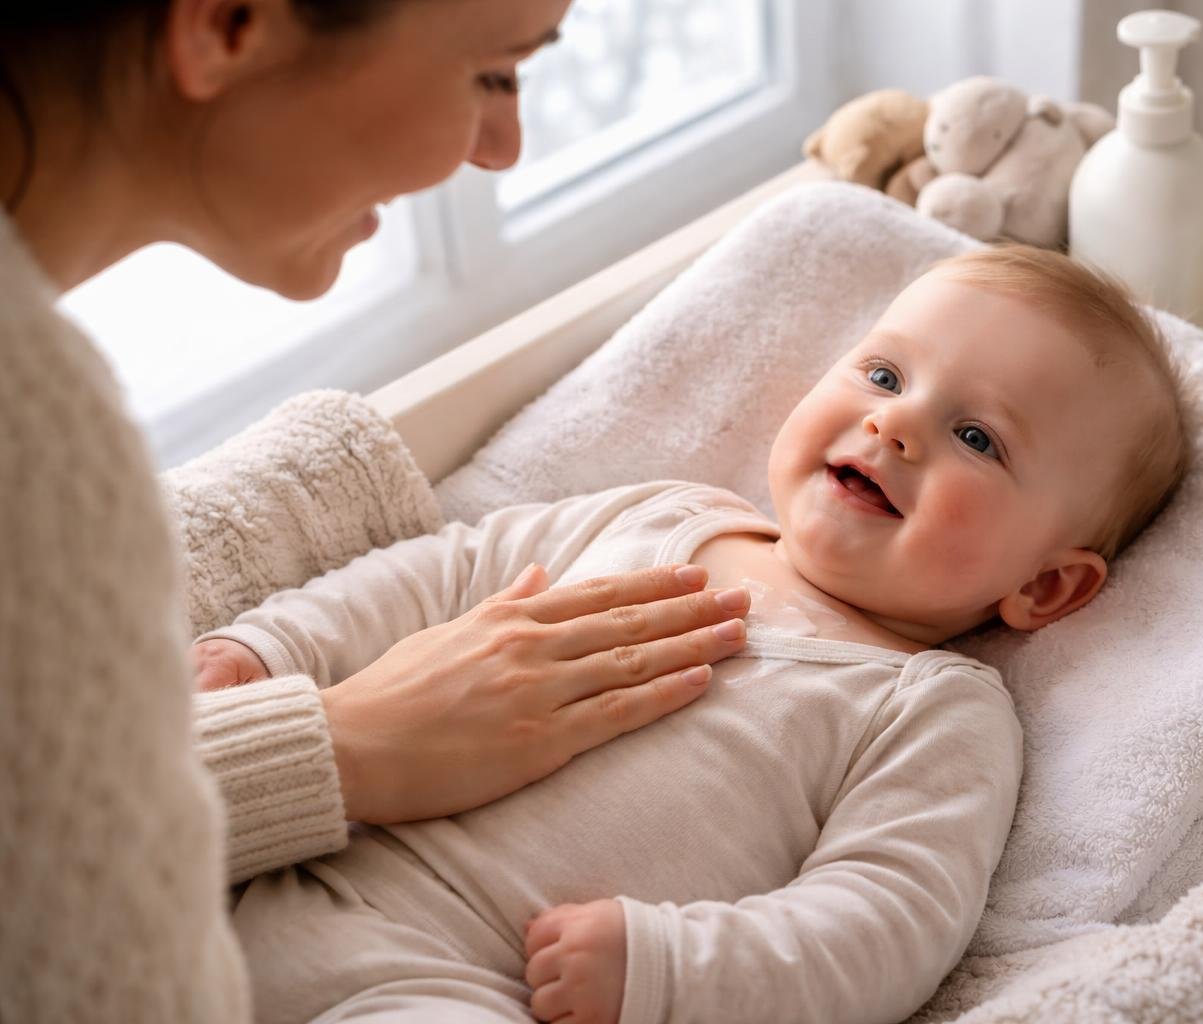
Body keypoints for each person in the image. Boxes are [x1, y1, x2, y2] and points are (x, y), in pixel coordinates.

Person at [192, 246, 1192, 1024]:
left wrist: (668, 967)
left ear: (1048, 586)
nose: (896, 426)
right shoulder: (662, 516)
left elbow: (886, 919)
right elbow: (441, 573)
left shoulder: (929, 708)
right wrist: (275, 651)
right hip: (274, 847)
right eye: (884, 374)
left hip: (442, 976)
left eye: (978, 437)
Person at [0, 3, 761, 1019]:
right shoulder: (39, 449)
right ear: (230, 24)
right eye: (494, 73)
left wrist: (313, 743)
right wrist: (335, 747)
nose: (505, 148)